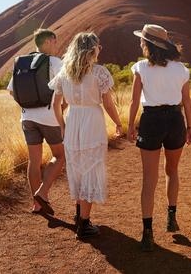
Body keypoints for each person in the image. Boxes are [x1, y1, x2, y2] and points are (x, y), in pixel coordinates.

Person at [127, 24, 191, 252]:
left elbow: (134, 101)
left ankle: (147, 232)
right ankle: (171, 217)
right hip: (176, 120)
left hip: (151, 121)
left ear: (148, 44)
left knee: (149, 178)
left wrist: (129, 126)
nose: (139, 42)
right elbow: (186, 101)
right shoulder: (181, 69)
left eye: (142, 40)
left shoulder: (141, 68)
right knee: (172, 171)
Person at [48, 32, 123, 239]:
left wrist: (62, 126)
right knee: (90, 167)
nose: (100, 49)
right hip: (92, 121)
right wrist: (118, 122)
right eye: (98, 46)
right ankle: (84, 224)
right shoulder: (99, 72)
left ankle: (79, 214)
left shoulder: (64, 72)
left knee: (77, 167)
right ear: (92, 49)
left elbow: (56, 105)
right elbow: (108, 104)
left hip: (73, 120)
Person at [7, 29, 65, 215]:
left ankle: (37, 204)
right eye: (54, 41)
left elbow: (11, 90)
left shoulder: (23, 62)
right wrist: (60, 110)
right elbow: (67, 87)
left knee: (34, 161)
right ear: (48, 41)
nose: (56, 45)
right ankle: (42, 192)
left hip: (27, 117)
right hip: (49, 117)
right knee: (60, 155)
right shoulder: (55, 62)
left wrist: (28, 105)